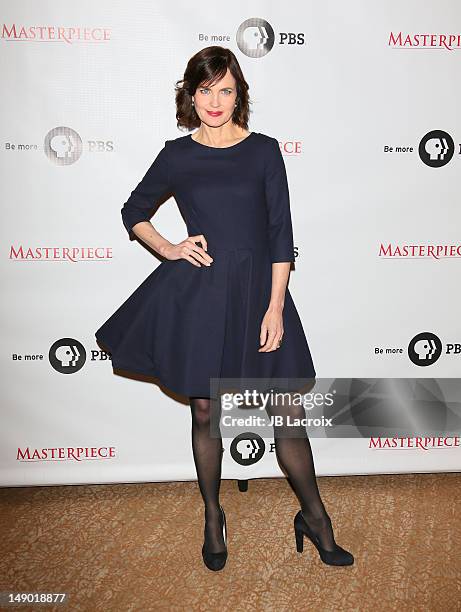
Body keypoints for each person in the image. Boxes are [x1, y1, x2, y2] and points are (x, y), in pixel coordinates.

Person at [95, 45, 354, 571]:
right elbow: (134, 210)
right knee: (206, 411)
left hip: (261, 292)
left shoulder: (263, 150)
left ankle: (316, 519)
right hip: (203, 297)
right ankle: (213, 517)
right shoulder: (177, 154)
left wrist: (276, 306)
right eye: (206, 90)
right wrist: (169, 247)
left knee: (286, 411)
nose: (216, 101)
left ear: (241, 94)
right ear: (191, 95)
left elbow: (282, 232)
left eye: (227, 89)